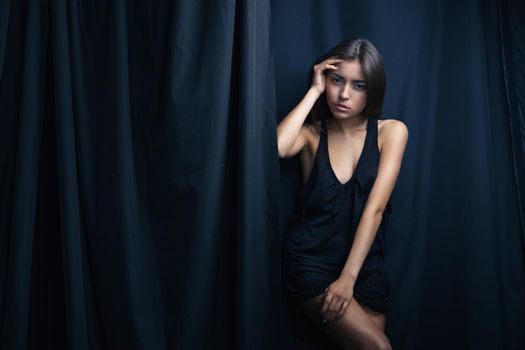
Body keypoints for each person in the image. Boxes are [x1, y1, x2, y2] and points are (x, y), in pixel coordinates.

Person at [277, 37, 408, 349]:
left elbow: (375, 209)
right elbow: (278, 147)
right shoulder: (310, 135)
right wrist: (313, 91)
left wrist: (349, 277)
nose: (344, 94)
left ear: (373, 89)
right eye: (337, 80)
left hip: (365, 267)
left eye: (358, 85)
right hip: (312, 263)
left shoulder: (391, 133)